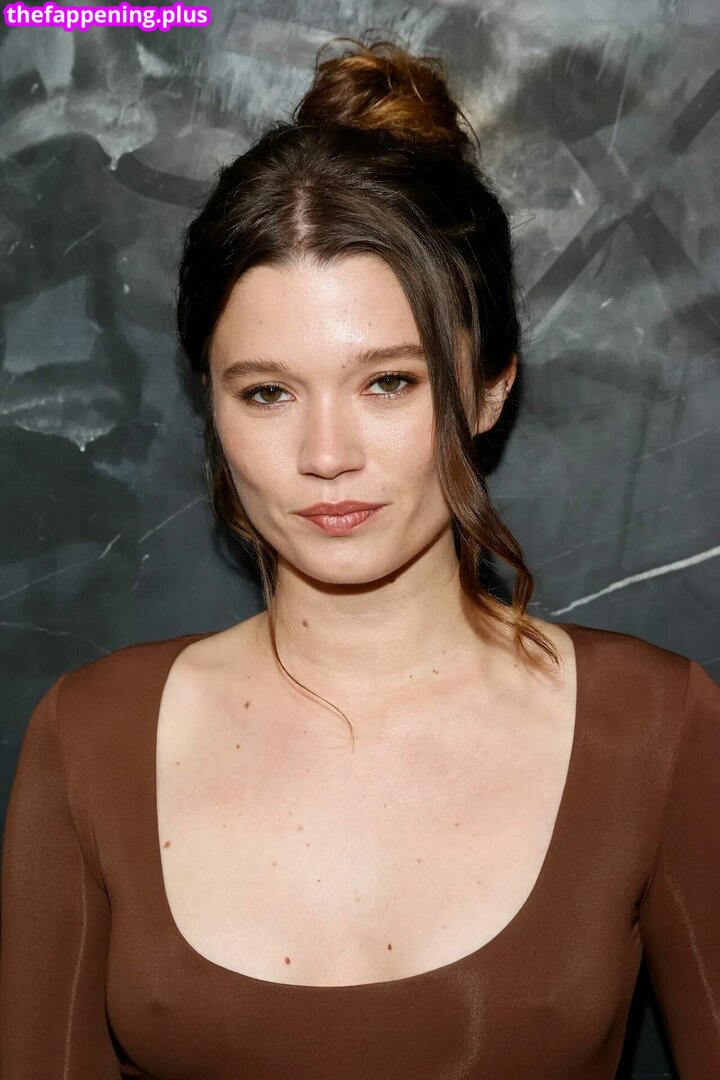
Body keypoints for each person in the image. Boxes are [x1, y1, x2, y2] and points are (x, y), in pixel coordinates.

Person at [1, 33, 719, 1080]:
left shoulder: (658, 729)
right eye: (267, 392)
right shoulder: (90, 739)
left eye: (389, 382)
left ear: (490, 386)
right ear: (212, 407)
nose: (326, 455)